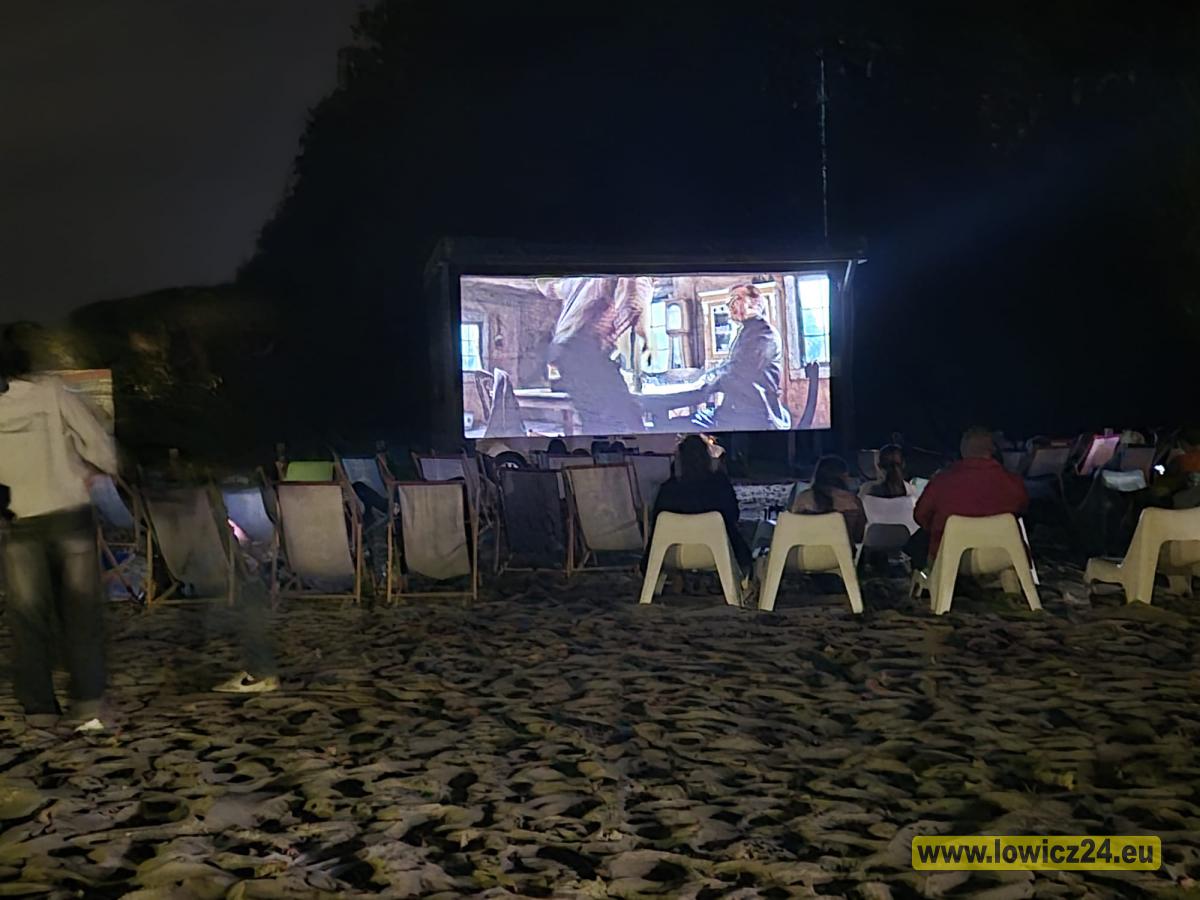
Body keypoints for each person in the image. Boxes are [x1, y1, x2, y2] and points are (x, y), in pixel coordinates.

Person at [0, 330, 116, 730]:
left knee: (28, 618)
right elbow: (97, 442)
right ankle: (88, 701)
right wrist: (94, 469)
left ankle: (39, 706)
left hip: (16, 517)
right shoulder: (51, 391)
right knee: (81, 613)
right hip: (68, 510)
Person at [542, 276, 648, 435]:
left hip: (571, 350)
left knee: (606, 415)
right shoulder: (624, 284)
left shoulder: (577, 282)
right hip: (580, 349)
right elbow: (629, 303)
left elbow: (550, 289)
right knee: (623, 416)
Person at [911, 427, 1029, 568]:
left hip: (952, 560)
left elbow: (920, 515)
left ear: (963, 450)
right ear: (992, 450)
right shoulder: (1013, 483)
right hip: (1003, 557)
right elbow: (1022, 509)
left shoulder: (941, 482)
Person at [643, 435, 752, 573]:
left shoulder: (669, 490)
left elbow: (657, 523)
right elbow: (734, 515)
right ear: (707, 457)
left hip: (673, 554)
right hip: (717, 552)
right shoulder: (719, 485)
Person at [694, 284, 792, 431]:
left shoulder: (764, 333)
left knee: (687, 426)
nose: (730, 305)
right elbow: (730, 364)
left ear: (756, 302)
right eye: (729, 302)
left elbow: (740, 371)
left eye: (737, 299)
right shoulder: (748, 330)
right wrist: (705, 378)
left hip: (754, 416)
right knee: (690, 422)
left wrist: (705, 381)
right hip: (736, 410)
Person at [789, 455, 866, 543]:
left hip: (806, 549)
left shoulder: (803, 498)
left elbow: (794, 529)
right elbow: (859, 536)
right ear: (844, 476)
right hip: (842, 551)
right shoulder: (853, 502)